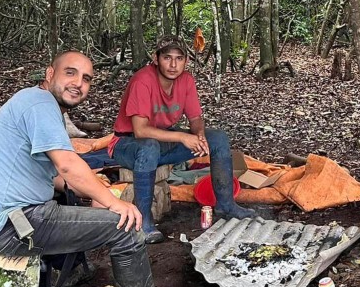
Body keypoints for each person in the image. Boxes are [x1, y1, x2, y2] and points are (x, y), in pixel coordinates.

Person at [0, 51, 196, 287]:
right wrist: (113, 203)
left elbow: (58, 177)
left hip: (1, 219)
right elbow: (68, 165)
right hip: (11, 225)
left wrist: (94, 189)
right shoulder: (38, 104)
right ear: (50, 74)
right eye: (70, 73)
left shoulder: (35, 102)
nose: (79, 83)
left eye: (86, 78)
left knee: (71, 199)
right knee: (125, 227)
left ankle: (72, 271)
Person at [84, 36, 255, 243]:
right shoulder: (142, 80)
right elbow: (140, 131)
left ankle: (226, 205)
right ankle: (143, 222)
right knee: (148, 147)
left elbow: (195, 118)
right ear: (156, 59)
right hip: (127, 144)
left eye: (179, 58)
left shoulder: (186, 80)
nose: (173, 65)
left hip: (162, 141)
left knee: (217, 138)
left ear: (186, 61)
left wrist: (199, 135)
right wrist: (182, 136)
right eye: (167, 58)